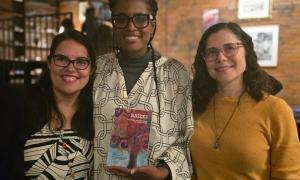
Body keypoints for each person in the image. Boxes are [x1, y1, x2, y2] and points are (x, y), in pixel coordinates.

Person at [93, 0, 194, 179]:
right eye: (121, 19)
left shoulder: (176, 74)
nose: (131, 26)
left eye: (140, 18)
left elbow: (185, 139)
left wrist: (163, 172)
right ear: (113, 23)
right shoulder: (97, 69)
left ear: (153, 24)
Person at [190, 22, 300, 179]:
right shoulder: (196, 106)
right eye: (212, 52)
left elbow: (289, 176)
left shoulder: (276, 109)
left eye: (230, 48)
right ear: (204, 60)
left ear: (246, 53)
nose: (220, 57)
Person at [21, 29, 96, 179]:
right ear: (49, 63)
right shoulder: (19, 109)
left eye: (81, 62)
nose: (70, 68)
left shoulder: (97, 115)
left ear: (91, 69)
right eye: (62, 59)